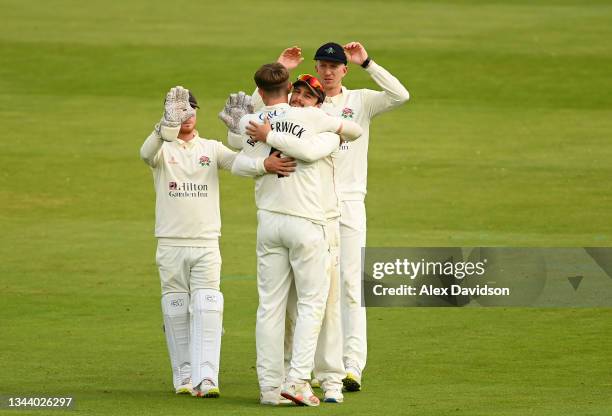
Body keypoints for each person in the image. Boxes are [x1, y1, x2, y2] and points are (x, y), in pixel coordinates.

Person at [219, 63, 361, 407]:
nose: (301, 97)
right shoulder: (312, 120)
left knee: (270, 306)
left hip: (269, 223)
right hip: (307, 222)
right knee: (314, 303)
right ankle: (297, 379)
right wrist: (326, 136)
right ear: (288, 89)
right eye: (297, 91)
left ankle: (270, 387)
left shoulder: (256, 122)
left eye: (307, 94)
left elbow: (237, 162)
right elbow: (352, 130)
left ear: (261, 91)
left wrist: (258, 145)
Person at [140, 86, 294, 399]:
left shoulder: (210, 147)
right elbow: (145, 152)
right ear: (170, 113)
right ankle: (184, 375)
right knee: (175, 308)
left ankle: (206, 378)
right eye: (180, 112)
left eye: (191, 111)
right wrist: (164, 125)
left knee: (208, 306)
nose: (187, 117)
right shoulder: (161, 150)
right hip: (169, 242)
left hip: (207, 242)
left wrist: (259, 158)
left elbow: (240, 164)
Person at [277, 42, 410, 392]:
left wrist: (368, 62)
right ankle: (318, 367)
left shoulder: (360, 101)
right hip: (312, 203)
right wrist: (282, 70)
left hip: (350, 201)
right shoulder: (304, 102)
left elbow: (400, 95)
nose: (328, 70)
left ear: (344, 69)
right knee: (316, 287)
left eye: (334, 65)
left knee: (351, 285)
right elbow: (263, 106)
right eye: (322, 65)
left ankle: (352, 366)